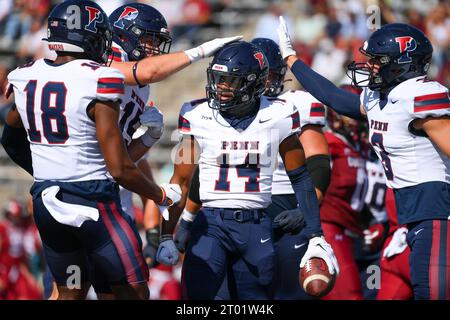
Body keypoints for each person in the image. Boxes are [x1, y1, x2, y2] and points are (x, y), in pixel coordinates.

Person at [2, 0, 181, 300]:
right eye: (149, 41)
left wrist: (51, 173)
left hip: (56, 200)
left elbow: (10, 137)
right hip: (98, 205)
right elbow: (118, 167)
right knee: (132, 293)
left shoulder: (33, 74)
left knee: (71, 291)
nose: (153, 49)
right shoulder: (101, 78)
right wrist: (159, 196)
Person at [277, 17, 450, 299]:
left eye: (377, 60)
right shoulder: (380, 98)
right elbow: (332, 96)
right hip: (414, 215)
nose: (369, 66)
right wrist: (292, 59)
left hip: (437, 211)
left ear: (402, 63)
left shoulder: (417, 95)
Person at [156, 41, 338, 299]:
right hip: (211, 225)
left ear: (254, 82)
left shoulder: (279, 114)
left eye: (230, 81)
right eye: (218, 79)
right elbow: (181, 182)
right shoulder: (196, 114)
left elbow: (300, 177)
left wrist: (316, 233)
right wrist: (169, 232)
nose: (221, 88)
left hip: (256, 224)